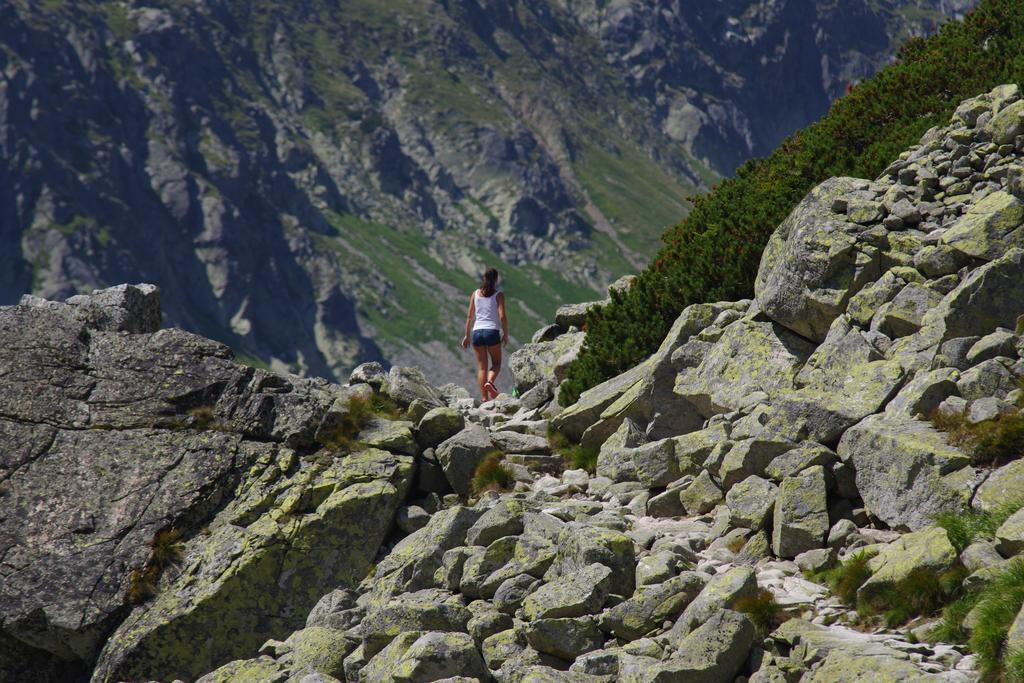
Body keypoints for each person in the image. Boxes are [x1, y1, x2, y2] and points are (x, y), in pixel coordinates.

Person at [462, 267, 509, 401]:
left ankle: (484, 398)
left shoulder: (475, 294)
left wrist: (467, 335)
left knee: (482, 366)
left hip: (476, 332)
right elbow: (502, 316)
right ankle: (490, 382)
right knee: (496, 363)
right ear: (496, 279)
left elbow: (469, 316)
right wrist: (505, 334)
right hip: (491, 332)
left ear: (484, 278)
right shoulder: (498, 295)